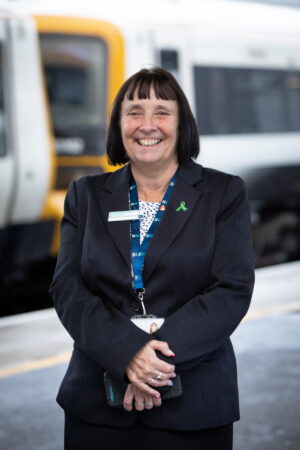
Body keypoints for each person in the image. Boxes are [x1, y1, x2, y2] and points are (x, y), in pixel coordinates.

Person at [49, 66, 254, 450]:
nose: (148, 125)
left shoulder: (223, 193)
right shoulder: (86, 195)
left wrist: (151, 363)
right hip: (97, 404)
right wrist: (125, 354)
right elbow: (67, 288)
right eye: (134, 112)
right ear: (119, 124)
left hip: (195, 403)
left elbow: (231, 289)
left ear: (181, 123)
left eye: (162, 111)